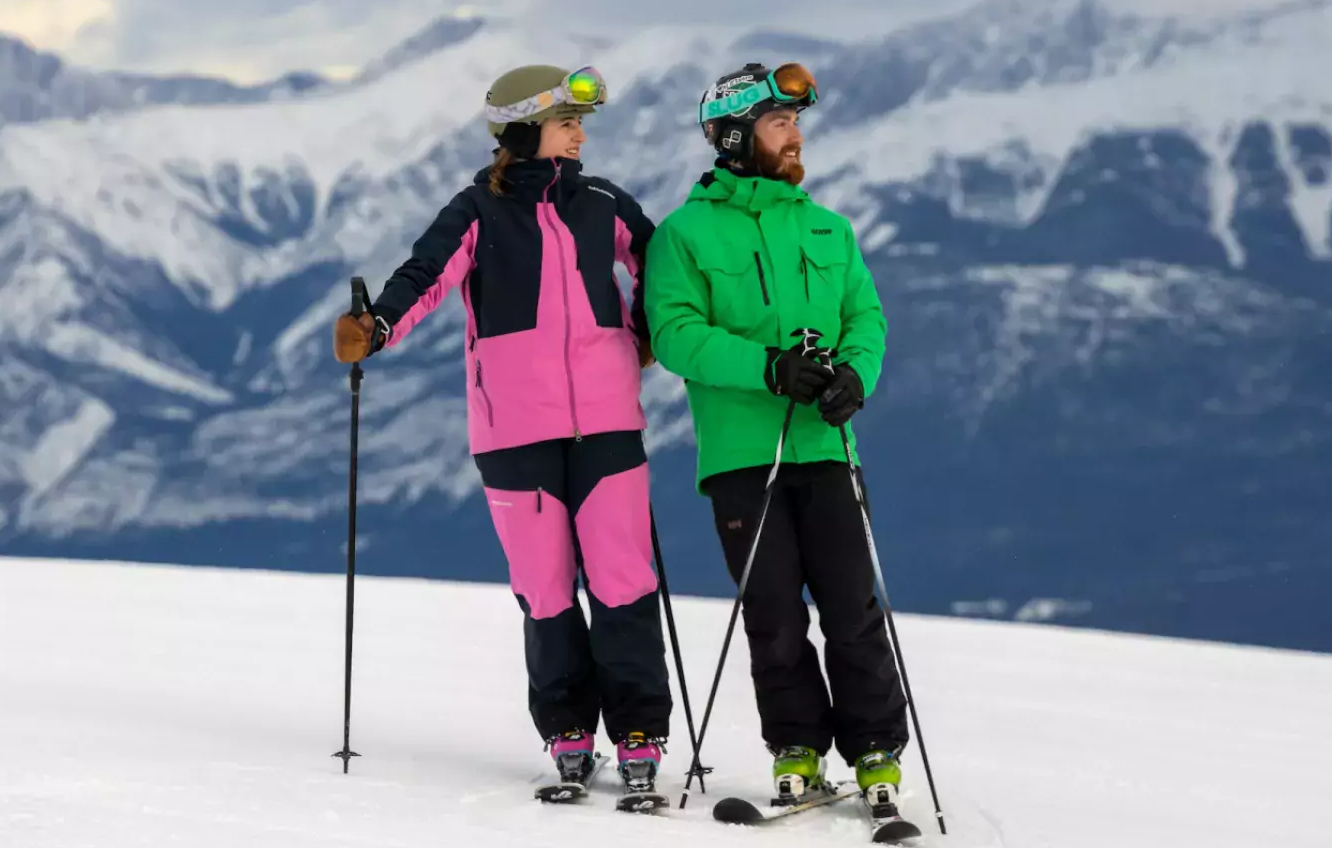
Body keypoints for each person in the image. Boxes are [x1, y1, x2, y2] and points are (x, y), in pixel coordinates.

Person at [332, 64, 671, 793]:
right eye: (566, 121)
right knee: (545, 588)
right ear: (523, 131)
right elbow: (425, 273)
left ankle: (640, 727)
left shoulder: (603, 202)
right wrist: (377, 325)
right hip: (514, 429)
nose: (581, 134)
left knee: (622, 579)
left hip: (608, 421)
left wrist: (645, 328)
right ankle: (568, 728)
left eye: (581, 123)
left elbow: (663, 267)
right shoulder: (476, 212)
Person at [642, 61, 907, 807]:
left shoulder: (829, 227)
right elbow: (675, 335)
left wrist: (856, 374)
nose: (795, 137)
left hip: (827, 446)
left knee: (853, 606)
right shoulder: (683, 236)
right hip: (741, 456)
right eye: (779, 123)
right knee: (774, 614)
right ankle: (796, 747)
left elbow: (867, 319)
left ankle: (877, 749)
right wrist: (768, 367)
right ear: (734, 137)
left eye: (796, 123)